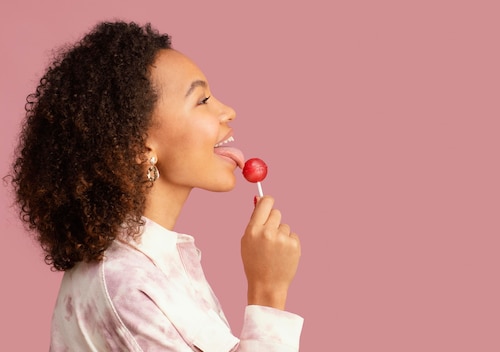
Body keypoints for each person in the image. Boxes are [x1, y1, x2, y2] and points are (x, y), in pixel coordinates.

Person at [9, 21, 303, 351]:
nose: (227, 111)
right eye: (202, 100)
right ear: (140, 148)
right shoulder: (127, 288)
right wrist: (268, 291)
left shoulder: (154, 263)